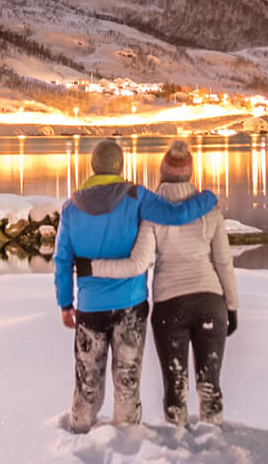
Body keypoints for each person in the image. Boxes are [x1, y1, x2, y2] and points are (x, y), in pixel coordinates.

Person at [54, 137, 219, 434]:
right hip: (131, 306)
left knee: (87, 384)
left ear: (93, 166)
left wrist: (66, 305)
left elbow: (62, 262)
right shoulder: (137, 197)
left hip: (89, 309)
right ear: (121, 167)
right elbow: (177, 215)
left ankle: (79, 435)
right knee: (127, 381)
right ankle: (127, 441)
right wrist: (208, 198)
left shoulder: (70, 208)